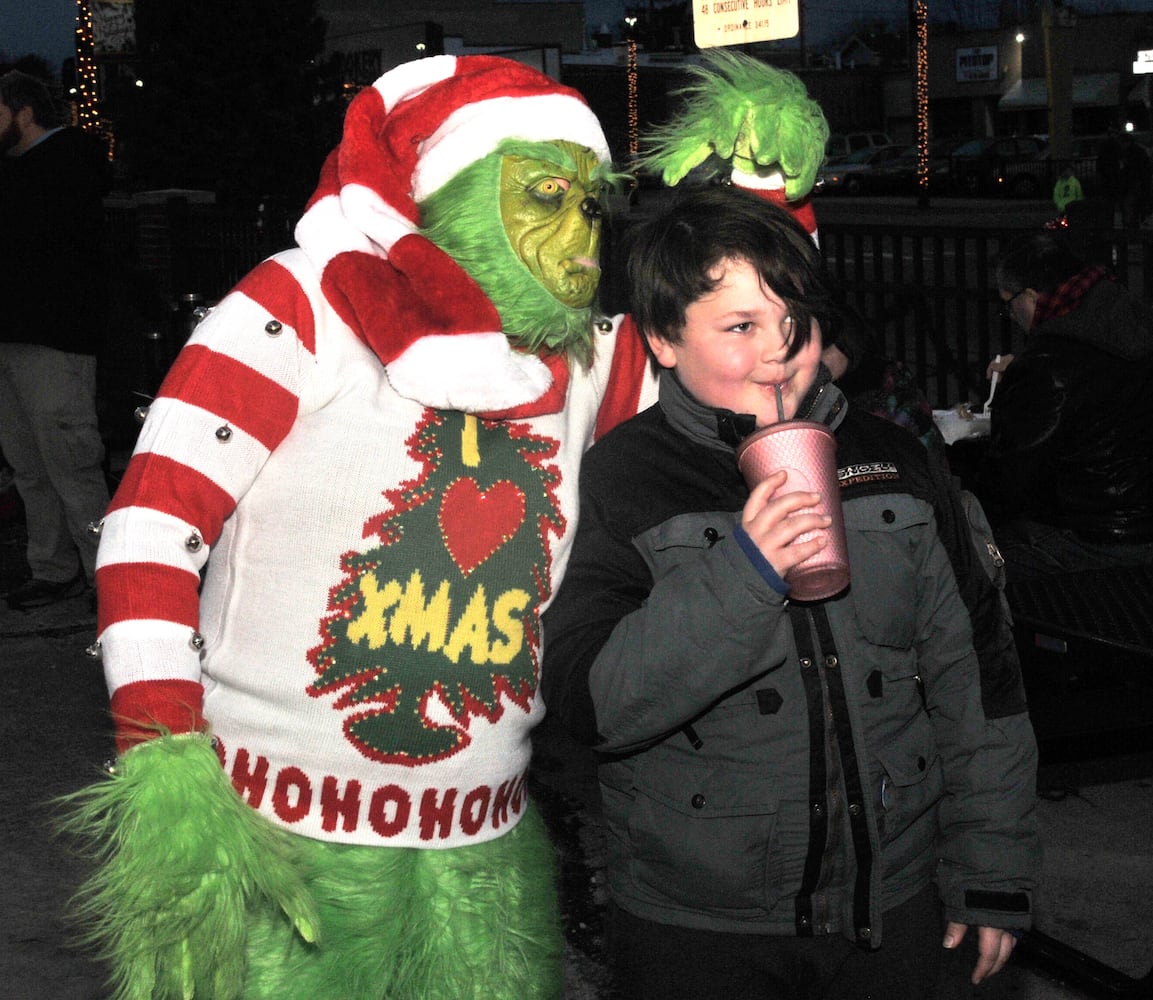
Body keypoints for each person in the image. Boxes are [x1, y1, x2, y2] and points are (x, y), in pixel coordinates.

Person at [65, 52, 834, 1000]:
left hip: (482, 846)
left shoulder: (580, 360)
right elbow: (150, 522)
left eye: (591, 205)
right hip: (281, 838)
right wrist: (161, 752)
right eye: (544, 196)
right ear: (451, 192)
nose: (578, 238)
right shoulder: (299, 304)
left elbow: (739, 333)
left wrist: (772, 186)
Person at [540, 186, 1039, 1000]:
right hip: (697, 924)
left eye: (794, 322)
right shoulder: (623, 478)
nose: (780, 352)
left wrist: (991, 869)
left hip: (894, 905)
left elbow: (976, 677)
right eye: (738, 327)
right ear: (664, 339)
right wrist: (744, 569)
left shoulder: (897, 463)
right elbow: (593, 701)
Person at [980, 231, 1153, 582]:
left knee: (967, 558)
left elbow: (1011, 479)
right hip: (1139, 517)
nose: (1010, 315)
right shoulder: (1129, 319)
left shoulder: (1048, 363)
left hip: (1099, 540)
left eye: (1008, 303)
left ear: (1029, 296)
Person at [0, 69, 112, 610]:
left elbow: (48, 244)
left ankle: (107, 574)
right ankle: (52, 567)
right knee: (28, 465)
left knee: (71, 460)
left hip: (55, 337)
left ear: (22, 112)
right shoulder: (17, 170)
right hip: (14, 336)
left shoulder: (69, 163)